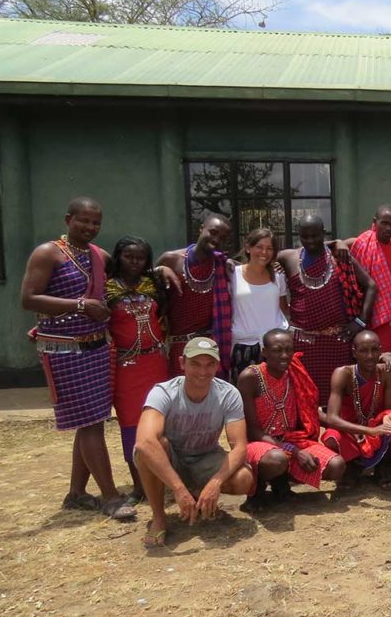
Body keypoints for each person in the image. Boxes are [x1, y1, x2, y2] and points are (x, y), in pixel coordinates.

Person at [20, 198, 136, 520]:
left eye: (96, 223)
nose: (90, 227)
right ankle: (111, 497)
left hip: (97, 347)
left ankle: (76, 493)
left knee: (91, 421)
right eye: (84, 221)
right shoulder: (48, 253)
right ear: (68, 219)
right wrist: (80, 306)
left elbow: (130, 269)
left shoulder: (98, 256)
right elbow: (28, 298)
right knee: (89, 424)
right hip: (64, 349)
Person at [134, 337, 254, 547]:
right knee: (151, 448)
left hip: (205, 457)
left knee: (244, 478)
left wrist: (215, 482)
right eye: (195, 364)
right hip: (172, 458)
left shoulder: (228, 393)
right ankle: (159, 517)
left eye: (209, 365)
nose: (202, 372)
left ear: (217, 365)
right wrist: (178, 489)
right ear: (182, 363)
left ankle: (200, 494)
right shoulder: (164, 392)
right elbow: (144, 441)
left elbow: (240, 446)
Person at [277, 215, 376, 409]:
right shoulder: (288, 257)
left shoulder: (339, 256)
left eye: (315, 236)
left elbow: (371, 286)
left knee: (337, 397)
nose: (311, 241)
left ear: (324, 234)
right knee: (304, 397)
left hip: (336, 342)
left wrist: (360, 322)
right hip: (303, 343)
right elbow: (257, 259)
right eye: (305, 237)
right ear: (299, 236)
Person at [239, 329, 344, 510]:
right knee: (277, 459)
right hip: (259, 443)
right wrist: (296, 453)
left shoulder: (295, 372)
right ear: (264, 352)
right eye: (277, 350)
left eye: (289, 350)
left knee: (336, 465)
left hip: (291, 440)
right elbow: (252, 431)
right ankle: (257, 491)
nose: (284, 355)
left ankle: (282, 484)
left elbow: (309, 409)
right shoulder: (251, 377)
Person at [106, 235, 168, 503]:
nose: (134, 262)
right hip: (126, 367)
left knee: (161, 422)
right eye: (129, 256)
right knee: (131, 426)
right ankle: (139, 485)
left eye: (140, 257)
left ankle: (165, 479)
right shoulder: (106, 290)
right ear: (118, 257)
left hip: (156, 364)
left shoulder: (153, 285)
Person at [322, 331, 391, 489]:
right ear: (354, 352)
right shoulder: (343, 374)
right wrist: (370, 431)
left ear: (380, 351)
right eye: (363, 350)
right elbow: (332, 419)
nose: (370, 356)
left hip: (377, 426)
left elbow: (388, 411)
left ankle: (383, 466)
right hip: (350, 429)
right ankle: (351, 467)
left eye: (374, 350)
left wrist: (388, 422)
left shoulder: (387, 373)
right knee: (331, 439)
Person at [158, 214, 234, 377]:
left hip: (210, 345)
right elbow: (145, 285)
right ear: (201, 229)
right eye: (213, 232)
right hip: (179, 347)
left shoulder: (222, 265)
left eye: (222, 237)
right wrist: (157, 270)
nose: (216, 239)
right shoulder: (171, 260)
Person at [341, 205, 391, 351]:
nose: (389, 228)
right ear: (375, 221)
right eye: (384, 223)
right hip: (372, 320)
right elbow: (324, 249)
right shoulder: (358, 243)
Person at [229, 228, 288, 382]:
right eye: (259, 247)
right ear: (248, 247)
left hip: (275, 348)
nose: (264, 252)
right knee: (244, 399)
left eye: (269, 248)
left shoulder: (278, 275)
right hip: (243, 346)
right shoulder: (233, 275)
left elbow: (283, 308)